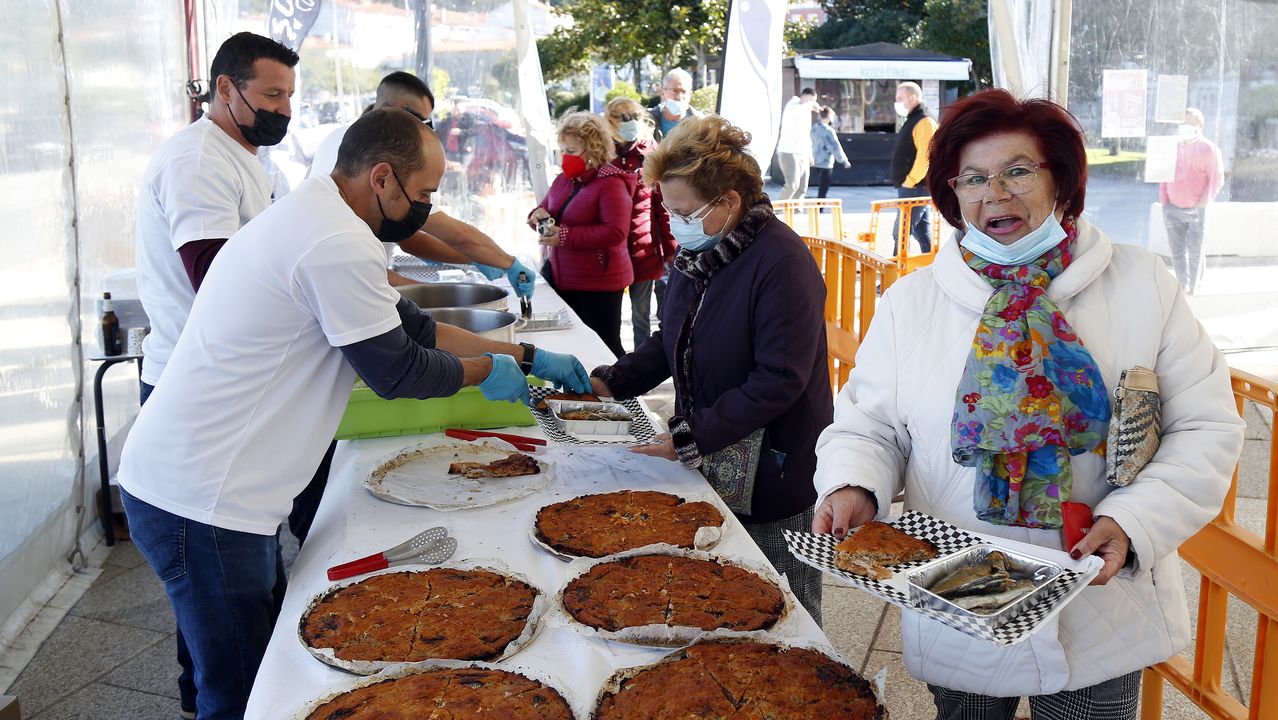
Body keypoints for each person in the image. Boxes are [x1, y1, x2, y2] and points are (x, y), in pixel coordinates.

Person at [118, 108, 591, 720]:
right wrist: (489, 374)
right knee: (241, 691)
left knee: (261, 669)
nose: (426, 208)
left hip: (219, 491)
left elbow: (415, 325)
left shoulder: (322, 213)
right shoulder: (334, 241)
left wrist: (524, 353)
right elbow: (399, 369)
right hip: (203, 499)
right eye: (423, 193)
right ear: (383, 178)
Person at [813, 89, 1245, 719]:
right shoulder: (913, 303)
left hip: (1097, 598)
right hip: (959, 595)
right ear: (953, 195)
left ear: (1061, 185)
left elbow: (1205, 427)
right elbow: (868, 425)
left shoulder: (1140, 283)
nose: (996, 193)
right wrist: (854, 484)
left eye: (1018, 170)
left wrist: (1134, 521)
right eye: (974, 178)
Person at [589, 116, 832, 623]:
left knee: (786, 608)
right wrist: (614, 380)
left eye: (682, 211)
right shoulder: (700, 254)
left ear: (727, 202)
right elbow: (672, 337)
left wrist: (689, 435)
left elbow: (778, 379)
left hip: (774, 470)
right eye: (668, 209)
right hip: (712, 451)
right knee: (721, 597)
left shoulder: (781, 263)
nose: (673, 222)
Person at [131, 31, 298, 718]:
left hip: (222, 407)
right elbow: (218, 281)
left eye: (290, 95)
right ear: (223, 89)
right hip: (189, 396)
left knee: (231, 619)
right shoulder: (199, 161)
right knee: (225, 639)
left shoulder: (248, 158)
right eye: (270, 95)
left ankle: (206, 690)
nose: (283, 109)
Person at [308, 71, 535, 297]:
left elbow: (410, 238)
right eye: (421, 121)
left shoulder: (354, 143)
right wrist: (505, 263)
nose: (423, 130)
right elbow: (455, 234)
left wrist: (475, 258)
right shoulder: (358, 151)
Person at [528, 111, 635, 358]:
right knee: (573, 345)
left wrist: (564, 236)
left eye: (572, 151)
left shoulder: (611, 184)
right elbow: (544, 208)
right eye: (563, 150)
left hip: (599, 282)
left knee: (605, 345)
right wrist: (536, 216)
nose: (566, 157)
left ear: (593, 150)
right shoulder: (563, 180)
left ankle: (618, 392)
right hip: (563, 277)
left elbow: (616, 232)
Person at [605, 97, 676, 350]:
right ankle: (616, 364)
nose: (629, 123)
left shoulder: (650, 153)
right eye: (622, 117)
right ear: (610, 121)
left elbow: (663, 206)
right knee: (609, 317)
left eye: (633, 116)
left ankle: (639, 367)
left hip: (643, 250)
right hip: (610, 252)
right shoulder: (602, 153)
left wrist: (670, 248)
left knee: (641, 316)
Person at [1159, 107, 1224, 295]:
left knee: (1195, 249)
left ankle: (1195, 286)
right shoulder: (1174, 147)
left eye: (1190, 123)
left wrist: (1203, 201)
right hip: (1172, 206)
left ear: (1200, 125)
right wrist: (1164, 200)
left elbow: (1216, 178)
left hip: (1197, 208)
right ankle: (1182, 285)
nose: (1186, 126)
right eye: (1183, 122)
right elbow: (1164, 174)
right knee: (1177, 250)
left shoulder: (1209, 149)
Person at [891, 81, 938, 254]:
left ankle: (896, 274)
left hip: (915, 187)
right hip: (914, 186)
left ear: (913, 97)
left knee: (900, 233)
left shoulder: (924, 121)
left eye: (899, 98)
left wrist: (909, 182)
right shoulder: (914, 119)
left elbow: (925, 157)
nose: (897, 102)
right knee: (921, 233)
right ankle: (933, 269)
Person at [775, 87, 819, 200]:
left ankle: (797, 214)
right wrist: (811, 105)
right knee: (792, 185)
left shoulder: (806, 111)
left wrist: (810, 154)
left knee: (802, 188)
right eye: (810, 100)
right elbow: (798, 110)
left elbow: (806, 135)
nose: (812, 103)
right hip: (789, 151)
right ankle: (775, 213)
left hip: (802, 153)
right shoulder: (792, 105)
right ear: (804, 96)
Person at [810, 107, 851, 199]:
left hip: (814, 160)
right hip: (826, 162)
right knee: (823, 187)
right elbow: (835, 147)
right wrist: (844, 161)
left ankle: (818, 206)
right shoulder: (829, 131)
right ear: (829, 117)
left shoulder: (813, 128)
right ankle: (820, 207)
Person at [648, 68, 699, 141]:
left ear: (690, 95)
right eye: (675, 91)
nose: (679, 96)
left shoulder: (699, 124)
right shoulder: (648, 121)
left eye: (684, 92)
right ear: (663, 92)